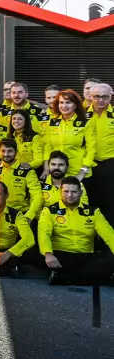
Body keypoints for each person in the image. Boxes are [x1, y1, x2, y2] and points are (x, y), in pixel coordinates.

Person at [39, 177, 114, 285]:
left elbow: (109, 234)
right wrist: (48, 254)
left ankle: (65, 277)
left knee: (109, 260)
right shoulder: (49, 211)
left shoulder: (93, 212)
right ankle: (102, 277)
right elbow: (43, 234)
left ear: (81, 193)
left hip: (87, 256)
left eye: (74, 191)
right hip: (61, 255)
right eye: (66, 191)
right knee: (43, 258)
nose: (70, 195)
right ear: (60, 192)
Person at [0, 138, 43, 230]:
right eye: (3, 151)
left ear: (16, 152)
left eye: (10, 151)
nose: (6, 154)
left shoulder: (27, 171)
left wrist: (29, 216)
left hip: (21, 216)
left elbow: (37, 196)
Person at [42, 90, 95, 181]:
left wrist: (82, 172)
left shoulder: (85, 123)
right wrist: (46, 168)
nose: (64, 106)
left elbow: (91, 149)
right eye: (61, 102)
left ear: (75, 105)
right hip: (57, 172)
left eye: (68, 103)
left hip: (77, 173)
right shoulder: (52, 122)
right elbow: (48, 146)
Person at [88, 83, 114, 219]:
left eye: (105, 96)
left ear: (111, 97)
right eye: (97, 96)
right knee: (90, 202)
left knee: (110, 203)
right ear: (91, 97)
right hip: (88, 165)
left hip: (110, 165)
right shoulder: (82, 115)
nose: (100, 100)